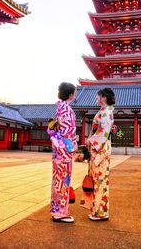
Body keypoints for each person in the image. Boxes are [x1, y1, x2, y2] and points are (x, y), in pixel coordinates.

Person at [48, 82, 78, 223]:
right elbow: (68, 132)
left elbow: (55, 130)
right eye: (74, 92)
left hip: (57, 149)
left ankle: (56, 210)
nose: (75, 94)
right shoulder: (66, 109)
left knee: (57, 180)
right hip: (64, 150)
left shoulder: (59, 108)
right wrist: (71, 149)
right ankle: (60, 213)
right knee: (63, 180)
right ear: (70, 94)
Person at [86, 87, 115, 221]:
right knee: (98, 180)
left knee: (100, 181)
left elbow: (103, 133)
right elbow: (101, 131)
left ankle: (100, 212)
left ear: (104, 98)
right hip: (99, 148)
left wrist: (91, 140)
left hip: (100, 150)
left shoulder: (106, 112)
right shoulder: (104, 111)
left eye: (98, 96)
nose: (97, 98)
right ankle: (98, 210)